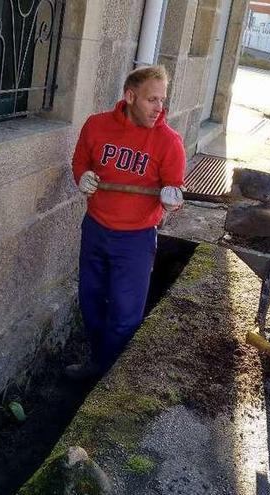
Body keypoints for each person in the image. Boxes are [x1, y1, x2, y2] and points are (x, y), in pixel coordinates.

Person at [66, 65, 186, 379]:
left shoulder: (169, 143)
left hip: (136, 239)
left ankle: (108, 379)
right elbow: (80, 160)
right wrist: (84, 176)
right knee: (91, 303)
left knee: (124, 315)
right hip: (95, 229)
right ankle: (98, 364)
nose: (159, 108)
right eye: (151, 100)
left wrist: (171, 200)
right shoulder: (96, 126)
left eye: (162, 100)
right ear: (130, 96)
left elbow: (174, 189)